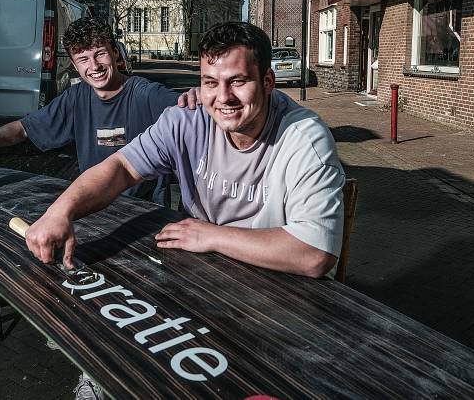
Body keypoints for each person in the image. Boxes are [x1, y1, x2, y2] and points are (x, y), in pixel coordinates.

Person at [25, 21, 345, 279]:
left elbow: (314, 254)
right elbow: (121, 167)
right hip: (204, 274)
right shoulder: (187, 121)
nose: (223, 98)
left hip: (284, 288)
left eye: (238, 81)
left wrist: (211, 236)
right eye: (210, 82)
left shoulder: (304, 139)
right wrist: (60, 212)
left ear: (268, 82)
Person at [0, 16, 194, 204]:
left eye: (100, 54)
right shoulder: (76, 98)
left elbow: (192, 109)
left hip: (144, 213)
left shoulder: (145, 94)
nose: (94, 66)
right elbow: (24, 128)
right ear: (75, 65)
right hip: (94, 208)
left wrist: (199, 96)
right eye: (84, 59)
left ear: (115, 54)